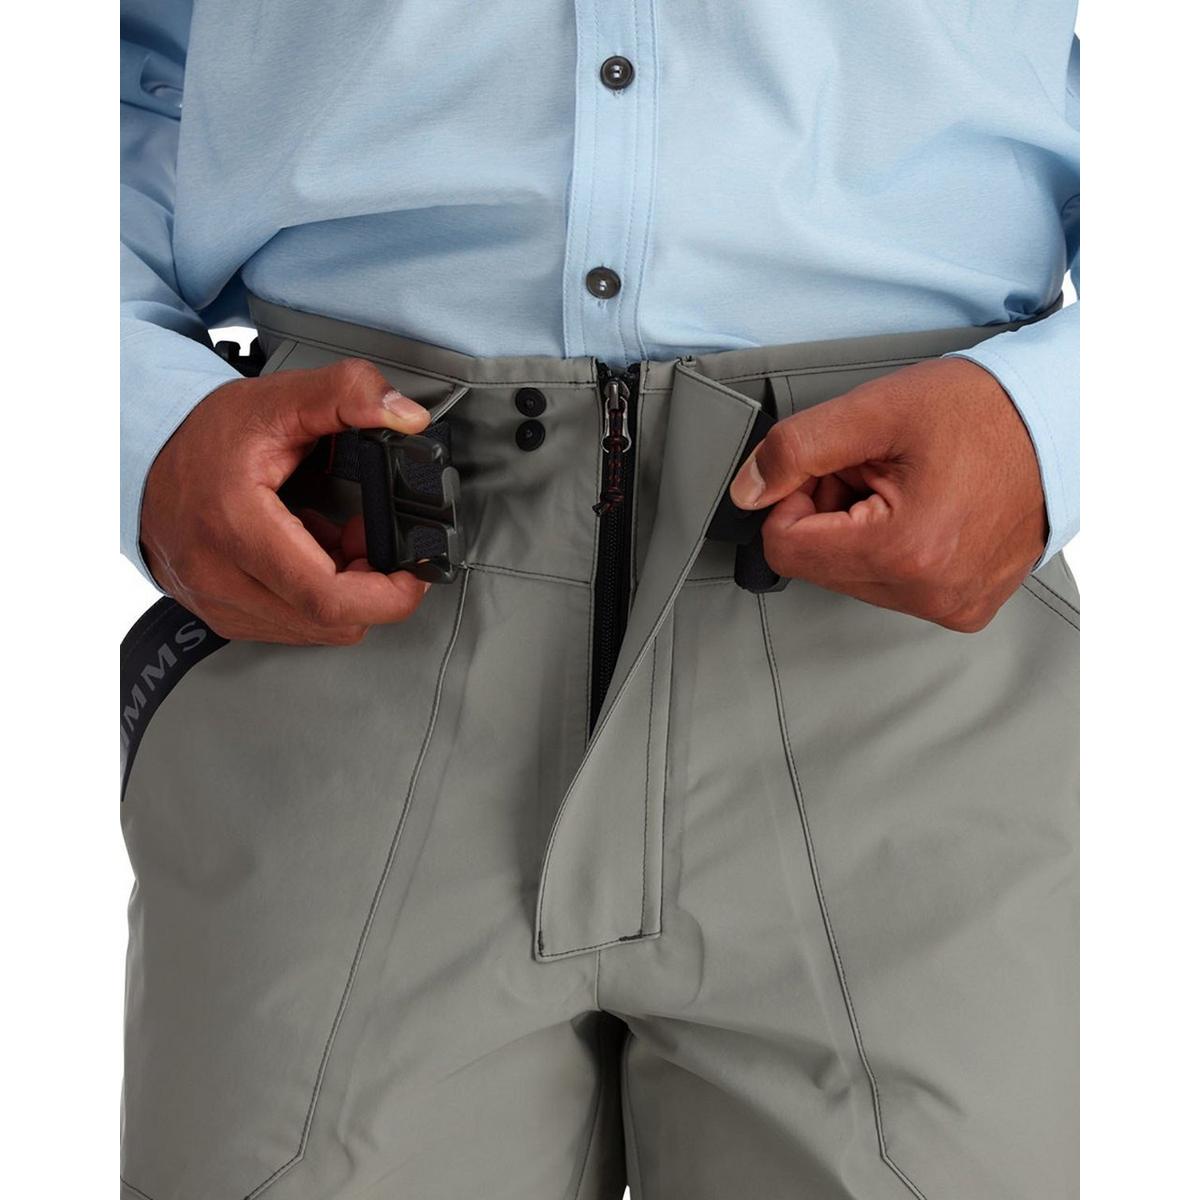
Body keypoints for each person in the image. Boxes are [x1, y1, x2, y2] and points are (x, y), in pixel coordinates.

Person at [120, 3, 1080, 1198]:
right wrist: (139, 412)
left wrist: (1063, 416)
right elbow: (113, 63)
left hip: (904, 619)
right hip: (340, 580)